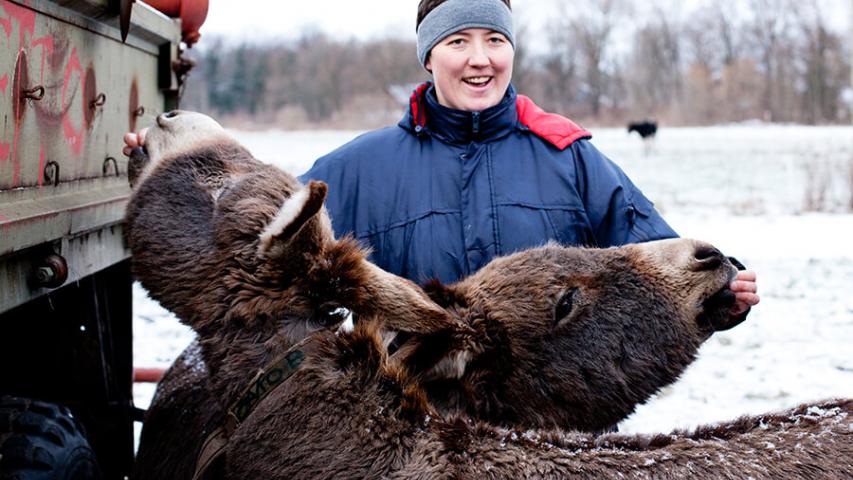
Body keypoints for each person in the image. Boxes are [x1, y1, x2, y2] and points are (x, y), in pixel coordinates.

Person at [123, 0, 758, 319]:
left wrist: (722, 291)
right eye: (458, 40)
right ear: (429, 56)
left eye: (494, 40)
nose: (479, 58)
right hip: (412, 431)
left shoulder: (570, 157)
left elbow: (659, 261)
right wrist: (162, 179)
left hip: (556, 432)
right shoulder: (358, 168)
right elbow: (260, 244)